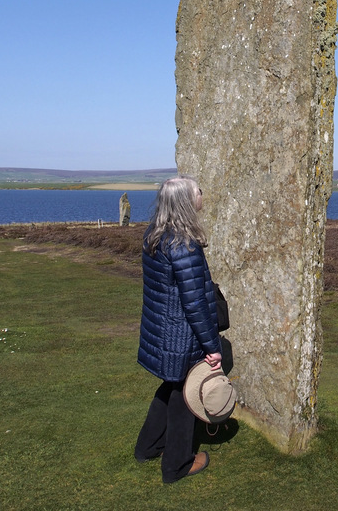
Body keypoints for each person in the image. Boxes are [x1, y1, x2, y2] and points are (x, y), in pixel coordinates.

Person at [134, 176, 223, 484]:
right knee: (187, 396)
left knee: (170, 387)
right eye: (198, 191)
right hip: (181, 336)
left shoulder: (155, 235)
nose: (202, 194)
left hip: (162, 330)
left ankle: (148, 446)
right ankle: (177, 465)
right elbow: (195, 303)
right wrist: (213, 346)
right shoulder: (184, 245)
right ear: (186, 201)